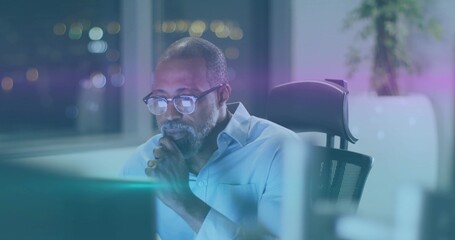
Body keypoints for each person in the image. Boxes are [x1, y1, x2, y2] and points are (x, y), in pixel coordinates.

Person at [121, 37, 301, 239]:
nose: (170, 115)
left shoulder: (277, 150)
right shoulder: (143, 161)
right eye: (160, 99)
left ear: (222, 95)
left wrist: (184, 201)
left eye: (185, 99)